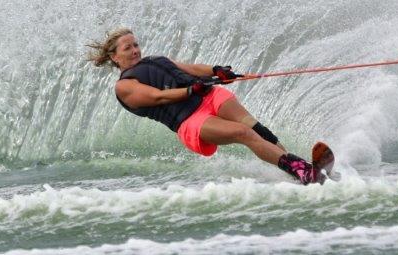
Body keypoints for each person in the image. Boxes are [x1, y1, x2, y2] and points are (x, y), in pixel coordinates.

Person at [87, 27, 324, 184]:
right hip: (190, 120)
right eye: (127, 48)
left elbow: (189, 69)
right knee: (243, 133)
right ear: (115, 57)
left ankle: (300, 170)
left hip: (208, 97)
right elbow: (158, 96)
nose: (135, 50)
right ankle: (302, 171)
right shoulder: (124, 86)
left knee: (257, 129)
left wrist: (216, 70)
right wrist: (191, 90)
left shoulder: (155, 60)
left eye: (136, 44)